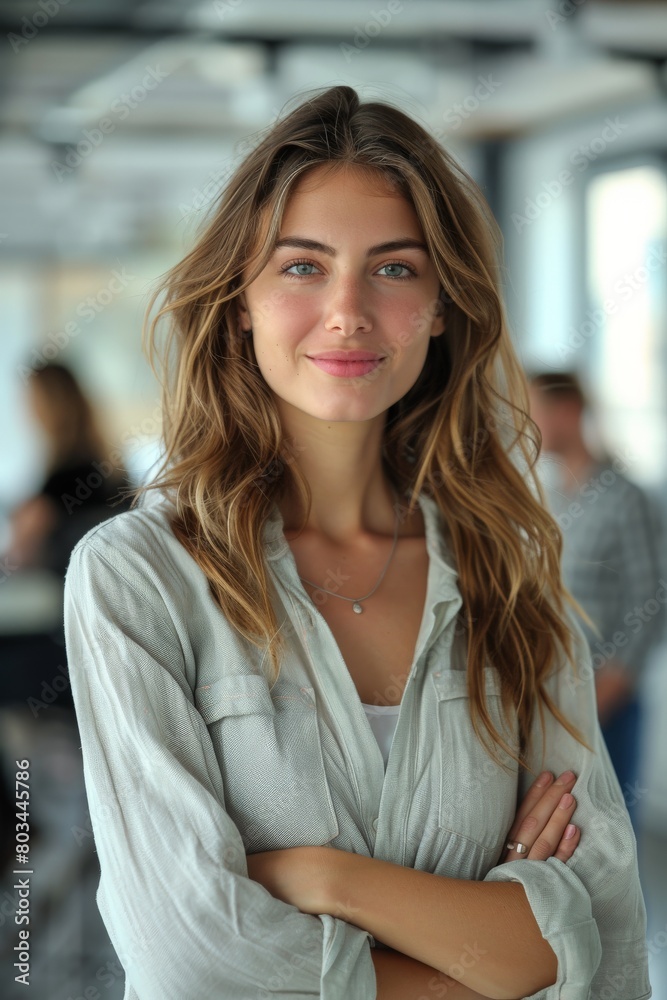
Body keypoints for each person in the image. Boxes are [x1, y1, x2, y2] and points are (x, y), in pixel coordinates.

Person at [63, 86, 651, 1000]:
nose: (347, 311)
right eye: (302, 267)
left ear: (444, 305)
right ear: (240, 303)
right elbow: (189, 959)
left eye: (394, 268)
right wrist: (492, 959)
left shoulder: (510, 579)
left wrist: (322, 878)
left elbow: (602, 929)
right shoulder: (137, 578)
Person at [527, 370, 664, 832]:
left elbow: (650, 601)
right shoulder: (552, 498)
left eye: (535, 410)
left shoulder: (624, 498)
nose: (527, 422)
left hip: (607, 700)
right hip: (555, 697)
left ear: (567, 412)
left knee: (612, 831)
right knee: (566, 835)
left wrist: (606, 693)